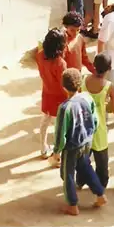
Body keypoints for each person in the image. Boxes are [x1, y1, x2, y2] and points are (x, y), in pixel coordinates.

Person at [52, 68, 108, 216]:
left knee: (67, 174)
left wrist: (57, 151)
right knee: (86, 168)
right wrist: (90, 134)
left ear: (64, 87)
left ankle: (72, 205)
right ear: (79, 84)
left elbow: (60, 133)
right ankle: (100, 194)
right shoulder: (87, 98)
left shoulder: (65, 108)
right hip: (86, 142)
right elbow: (95, 120)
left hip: (71, 147)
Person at [78, 53, 114, 188]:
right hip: (99, 129)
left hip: (84, 127)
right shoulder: (109, 86)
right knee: (101, 160)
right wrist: (106, 104)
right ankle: (101, 184)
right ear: (109, 68)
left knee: (83, 157)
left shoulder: (83, 80)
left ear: (94, 66)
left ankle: (80, 180)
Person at [36, 28, 68, 161]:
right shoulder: (60, 63)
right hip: (60, 97)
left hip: (47, 92)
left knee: (45, 121)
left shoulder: (39, 55)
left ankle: (43, 148)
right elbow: (64, 84)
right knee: (60, 127)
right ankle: (57, 153)